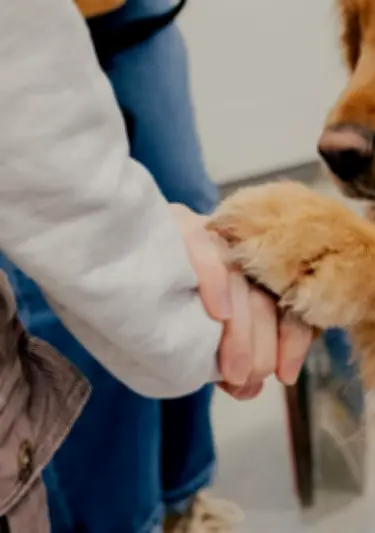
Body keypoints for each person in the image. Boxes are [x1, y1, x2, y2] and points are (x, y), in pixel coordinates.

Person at [0, 0, 313, 531]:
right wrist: (226, 332)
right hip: (33, 38)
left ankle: (183, 497)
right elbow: (82, 237)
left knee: (198, 218)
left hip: (129, 15)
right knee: (81, 306)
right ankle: (127, 519)